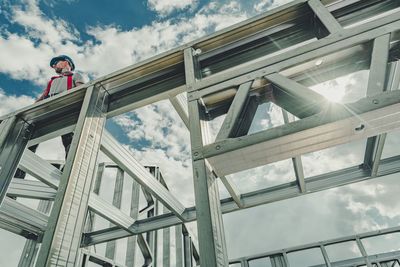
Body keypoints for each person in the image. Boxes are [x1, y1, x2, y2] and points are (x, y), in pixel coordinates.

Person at [14, 55, 84, 178]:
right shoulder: (53, 80)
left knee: (70, 139)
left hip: (67, 109)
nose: (53, 66)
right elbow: (42, 97)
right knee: (30, 141)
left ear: (66, 62)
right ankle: (17, 176)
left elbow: (82, 89)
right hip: (48, 110)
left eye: (56, 63)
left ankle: (70, 171)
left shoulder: (76, 76)